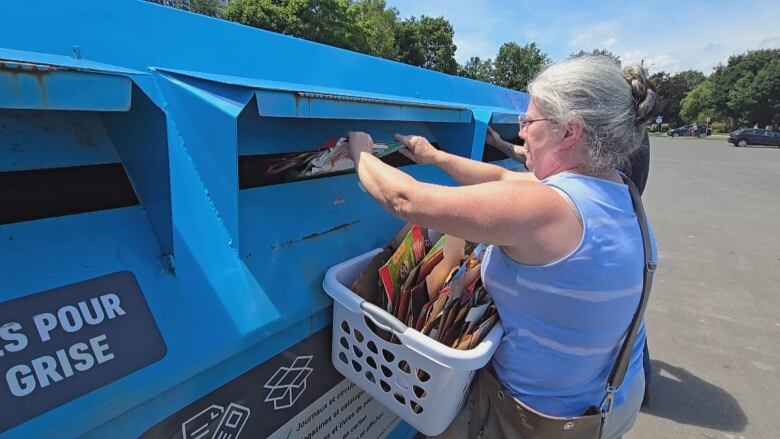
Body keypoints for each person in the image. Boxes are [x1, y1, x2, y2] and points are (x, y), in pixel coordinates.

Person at [347, 55, 657, 439]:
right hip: (610, 399)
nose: (521, 133)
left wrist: (359, 151)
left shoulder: (549, 210)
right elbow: (500, 177)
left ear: (569, 132)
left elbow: (405, 201)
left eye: (529, 122)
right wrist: (433, 156)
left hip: (534, 420)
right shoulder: (618, 189)